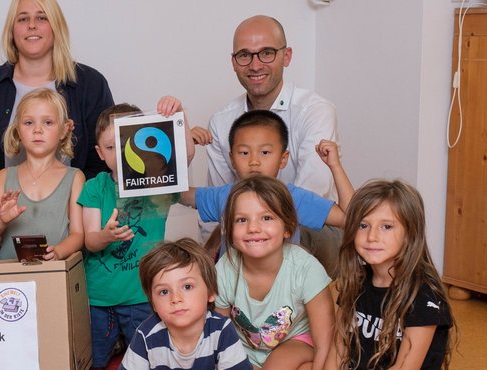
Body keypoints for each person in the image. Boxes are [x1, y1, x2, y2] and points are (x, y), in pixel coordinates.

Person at [192, 14, 340, 270]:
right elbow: (219, 206)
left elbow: (309, 199)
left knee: (278, 238)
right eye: (245, 55)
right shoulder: (221, 120)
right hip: (247, 230)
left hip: (310, 228)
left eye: (267, 53)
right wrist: (209, 265)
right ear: (234, 62)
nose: (255, 64)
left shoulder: (314, 111)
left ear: (287, 56)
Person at [79, 102, 188, 368]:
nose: (118, 152)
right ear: (99, 153)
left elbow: (186, 157)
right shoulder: (96, 186)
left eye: (125, 141)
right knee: (96, 360)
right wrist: (107, 235)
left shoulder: (157, 183)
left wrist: (178, 116)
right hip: (99, 298)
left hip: (142, 295)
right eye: (110, 146)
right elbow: (90, 240)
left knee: (149, 358)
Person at [182, 110, 353, 270]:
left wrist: (335, 166)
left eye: (264, 152)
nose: (254, 161)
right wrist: (181, 150)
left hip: (283, 293)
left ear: (283, 159)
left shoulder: (292, 197)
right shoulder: (224, 196)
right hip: (234, 294)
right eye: (244, 153)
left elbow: (348, 218)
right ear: (232, 159)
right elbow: (173, 194)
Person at [0, 0, 114, 179]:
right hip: (2, 205)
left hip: (78, 204)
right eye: (23, 19)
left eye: (41, 18)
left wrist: (78, 201)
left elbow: (107, 157)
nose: (32, 25)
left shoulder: (91, 84)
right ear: (11, 30)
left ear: (56, 26)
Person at [327, 180, 455, 369]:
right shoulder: (356, 281)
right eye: (363, 225)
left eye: (386, 226)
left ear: (410, 234)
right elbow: (338, 351)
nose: (372, 237)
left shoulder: (423, 295)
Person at [214, 176, 333, 369]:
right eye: (242, 220)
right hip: (245, 347)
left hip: (296, 342)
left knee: (278, 365)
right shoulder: (225, 268)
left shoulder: (306, 269)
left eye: (267, 218)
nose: (253, 228)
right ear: (229, 231)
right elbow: (219, 332)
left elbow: (325, 343)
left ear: (288, 227)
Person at [0, 88, 84, 261]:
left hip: (54, 274)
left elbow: (78, 234)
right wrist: (2, 220)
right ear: (18, 130)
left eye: (48, 122)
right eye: (29, 123)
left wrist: (58, 252)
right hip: (9, 277)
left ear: (64, 130)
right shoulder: (4, 176)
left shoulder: (75, 177)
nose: (37, 130)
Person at [119, 238, 251, 370]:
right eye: (164, 291)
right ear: (153, 303)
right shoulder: (146, 334)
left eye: (187, 287)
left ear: (210, 292)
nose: (176, 298)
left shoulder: (222, 330)